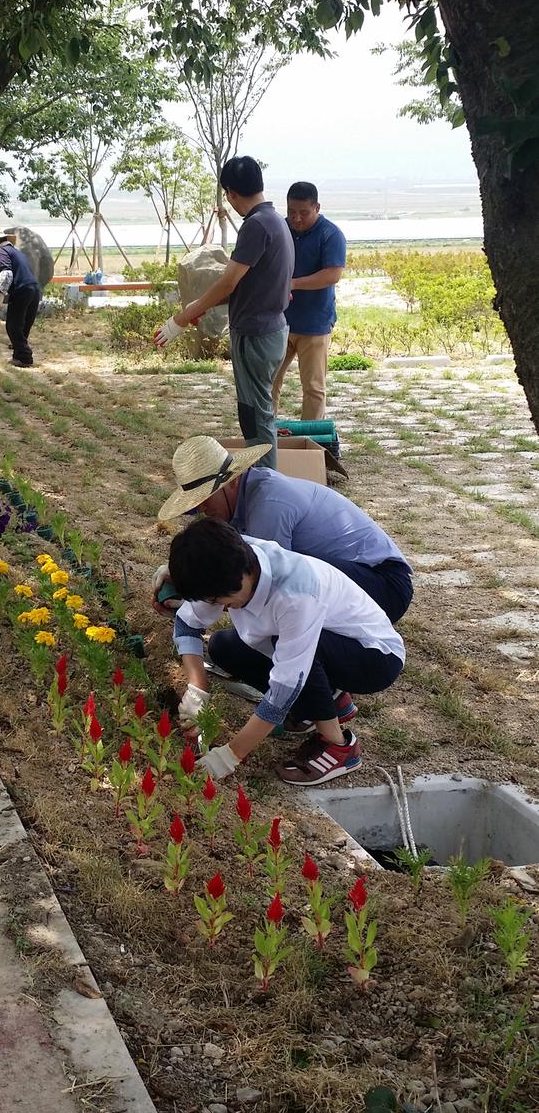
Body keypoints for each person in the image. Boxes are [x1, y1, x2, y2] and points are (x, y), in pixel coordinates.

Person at [167, 518, 405, 786]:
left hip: (373, 656)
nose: (220, 608)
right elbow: (187, 622)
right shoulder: (229, 560)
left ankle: (339, 747)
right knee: (223, 646)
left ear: (241, 578)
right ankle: (330, 700)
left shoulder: (296, 594)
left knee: (300, 657)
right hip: (319, 643)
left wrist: (231, 754)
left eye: (220, 601)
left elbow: (284, 689)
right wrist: (197, 688)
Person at [155, 435, 413, 624]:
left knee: (279, 594)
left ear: (229, 484)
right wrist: (181, 577)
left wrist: (194, 597)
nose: (199, 510)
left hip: (383, 585)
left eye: (203, 500)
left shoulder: (268, 505)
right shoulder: (244, 499)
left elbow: (258, 588)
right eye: (193, 507)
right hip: (361, 579)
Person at [154, 155, 293, 469]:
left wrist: (184, 316)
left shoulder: (256, 226)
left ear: (230, 193)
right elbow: (249, 285)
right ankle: (263, 479)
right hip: (271, 328)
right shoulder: (276, 222)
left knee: (255, 416)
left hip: (256, 335)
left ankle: (265, 487)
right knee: (258, 413)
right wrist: (200, 308)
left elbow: (229, 282)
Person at [272, 181, 347, 421]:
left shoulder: (331, 234)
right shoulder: (279, 229)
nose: (296, 218)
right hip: (278, 322)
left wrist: (293, 283)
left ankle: (312, 444)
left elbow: (332, 274)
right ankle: (265, 439)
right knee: (268, 382)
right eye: (291, 212)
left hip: (314, 324)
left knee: (313, 388)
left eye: (303, 213)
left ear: (317, 207)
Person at [0, 225, 42, 368]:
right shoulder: (15, 252)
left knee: (13, 326)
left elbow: (7, 273)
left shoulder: (1, 251)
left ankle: (25, 357)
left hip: (22, 290)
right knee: (23, 325)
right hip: (34, 289)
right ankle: (18, 356)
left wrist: (0, 294)